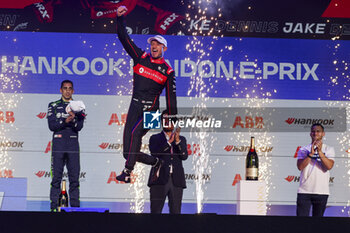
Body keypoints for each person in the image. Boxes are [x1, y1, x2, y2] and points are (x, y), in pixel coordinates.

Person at [115, 5, 177, 183]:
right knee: (127, 152)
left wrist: (172, 122)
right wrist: (120, 19)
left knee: (135, 135)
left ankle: (127, 172)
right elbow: (124, 38)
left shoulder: (168, 71)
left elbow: (171, 98)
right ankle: (156, 162)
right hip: (135, 106)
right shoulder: (140, 57)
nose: (154, 46)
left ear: (164, 48)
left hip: (153, 112)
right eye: (152, 44)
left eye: (157, 44)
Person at [47, 80, 86, 211]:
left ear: (73, 91)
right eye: (65, 88)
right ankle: (54, 209)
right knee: (56, 179)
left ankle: (75, 210)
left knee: (74, 180)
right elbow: (52, 126)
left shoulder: (79, 106)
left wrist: (74, 119)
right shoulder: (53, 105)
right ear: (61, 90)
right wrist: (65, 121)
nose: (67, 91)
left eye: (70, 88)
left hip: (73, 145)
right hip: (58, 144)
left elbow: (79, 127)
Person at [147, 110, 188, 214]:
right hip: (159, 179)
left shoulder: (181, 139)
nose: (167, 122)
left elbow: (184, 156)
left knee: (176, 213)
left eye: (170, 120)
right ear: (161, 122)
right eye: (165, 120)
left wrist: (177, 141)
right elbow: (155, 153)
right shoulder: (155, 138)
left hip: (176, 181)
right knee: (155, 212)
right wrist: (169, 142)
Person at [296, 123, 335, 217]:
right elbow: (300, 166)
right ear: (310, 134)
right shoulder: (303, 149)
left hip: (321, 191)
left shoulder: (329, 149)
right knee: (301, 223)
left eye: (318, 131)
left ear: (323, 134)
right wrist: (311, 154)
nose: (315, 133)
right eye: (313, 131)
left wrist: (320, 152)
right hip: (304, 191)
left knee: (318, 224)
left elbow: (329, 166)